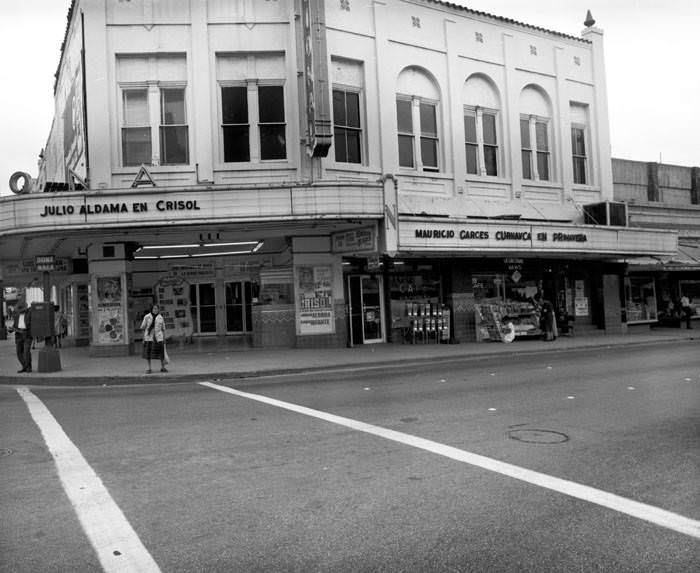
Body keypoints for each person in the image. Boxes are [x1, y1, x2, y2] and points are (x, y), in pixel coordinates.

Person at [140, 304, 167, 373]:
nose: (155, 310)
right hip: (149, 338)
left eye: (157, 309)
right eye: (154, 308)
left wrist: (164, 339)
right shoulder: (147, 317)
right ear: (151, 309)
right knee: (148, 353)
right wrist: (143, 338)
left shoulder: (161, 317)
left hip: (158, 338)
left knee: (161, 353)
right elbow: (143, 328)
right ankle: (149, 368)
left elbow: (163, 329)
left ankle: (162, 367)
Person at [8, 299, 32, 373]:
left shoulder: (29, 314)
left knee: (26, 352)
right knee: (19, 353)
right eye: (19, 309)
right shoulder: (16, 315)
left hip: (27, 335)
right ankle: (25, 366)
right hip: (18, 336)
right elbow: (15, 325)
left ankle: (28, 367)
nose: (20, 311)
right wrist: (11, 329)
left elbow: (31, 324)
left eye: (21, 309)